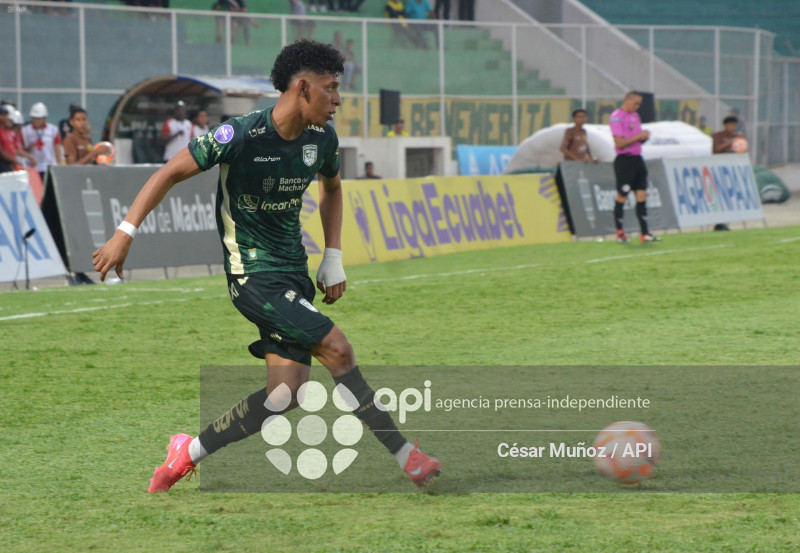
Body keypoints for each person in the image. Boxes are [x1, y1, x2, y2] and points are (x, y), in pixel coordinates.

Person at [91, 39, 441, 493]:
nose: (338, 100)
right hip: (252, 276)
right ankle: (405, 455)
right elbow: (168, 173)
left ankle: (187, 452)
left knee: (285, 394)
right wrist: (125, 232)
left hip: (294, 273)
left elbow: (332, 189)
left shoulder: (322, 139)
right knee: (338, 349)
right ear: (302, 88)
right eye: (331, 88)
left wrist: (333, 257)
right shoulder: (240, 135)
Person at [609, 91, 660, 243]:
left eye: (639, 104)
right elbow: (619, 143)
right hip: (624, 161)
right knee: (622, 195)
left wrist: (643, 137)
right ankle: (620, 233)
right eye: (635, 103)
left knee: (642, 194)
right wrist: (638, 136)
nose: (637, 107)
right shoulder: (617, 117)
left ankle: (645, 233)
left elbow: (636, 139)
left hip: (638, 159)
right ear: (627, 100)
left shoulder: (635, 116)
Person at [22, 102, 62, 181]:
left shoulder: (53, 130)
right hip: (32, 167)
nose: (37, 121)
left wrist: (59, 164)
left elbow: (57, 147)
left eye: (39, 119)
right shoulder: (25, 131)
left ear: (44, 118)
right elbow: (21, 149)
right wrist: (30, 148)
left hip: (49, 166)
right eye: (35, 118)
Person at [0, 106, 19, 174]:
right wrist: (12, 159)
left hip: (10, 163)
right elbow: (1, 151)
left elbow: (12, 147)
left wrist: (14, 159)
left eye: (6, 115)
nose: (5, 117)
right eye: (2, 115)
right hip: (2, 163)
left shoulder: (7, 131)